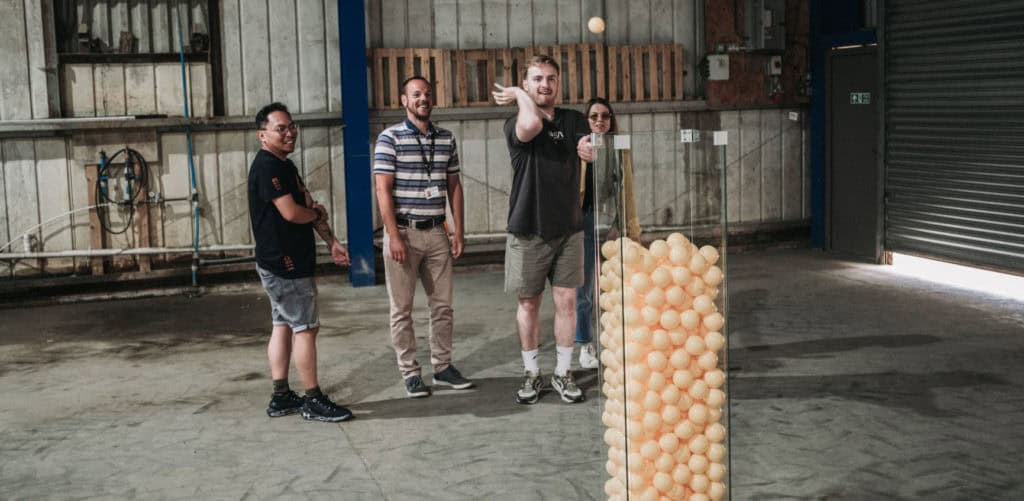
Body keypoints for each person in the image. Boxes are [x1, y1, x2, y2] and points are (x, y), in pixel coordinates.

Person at [492, 55, 595, 404]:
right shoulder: (516, 123)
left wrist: (588, 148)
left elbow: (587, 145)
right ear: (527, 84)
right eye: (536, 79)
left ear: (559, 82)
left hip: (569, 227)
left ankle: (563, 373)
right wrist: (521, 97)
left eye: (551, 78)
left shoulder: (574, 119)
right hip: (527, 228)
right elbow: (532, 125)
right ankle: (532, 372)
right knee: (529, 302)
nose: (544, 85)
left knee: (566, 301)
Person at [248, 102, 353, 422]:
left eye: (292, 126)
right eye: (281, 128)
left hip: (280, 262)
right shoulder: (268, 167)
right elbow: (294, 212)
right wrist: (315, 215)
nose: (290, 132)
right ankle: (313, 398)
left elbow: (308, 204)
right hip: (286, 264)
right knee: (306, 329)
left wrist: (332, 242)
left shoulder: (285, 166)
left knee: (283, 325)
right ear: (262, 135)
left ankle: (281, 396)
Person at [373, 76, 473, 398]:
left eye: (428, 94)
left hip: (437, 233)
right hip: (403, 232)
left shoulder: (446, 139)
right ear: (404, 100)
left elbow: (453, 186)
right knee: (401, 309)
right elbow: (382, 190)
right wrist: (394, 236)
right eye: (416, 94)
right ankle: (410, 372)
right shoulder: (390, 139)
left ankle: (442, 367)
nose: (423, 99)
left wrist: (458, 229)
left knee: (442, 306)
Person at [576, 97, 619, 370]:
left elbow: (623, 187)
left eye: (605, 116)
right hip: (581, 221)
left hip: (608, 221)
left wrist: (619, 223)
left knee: (614, 287)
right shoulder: (580, 149)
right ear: (586, 120)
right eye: (594, 116)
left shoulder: (617, 148)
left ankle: (616, 340)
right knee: (585, 289)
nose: (600, 120)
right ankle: (585, 344)